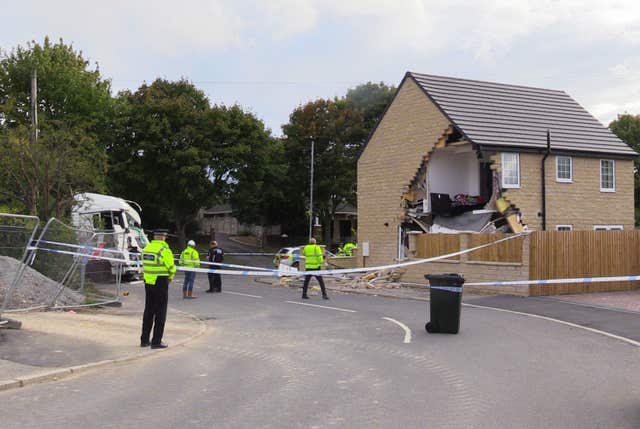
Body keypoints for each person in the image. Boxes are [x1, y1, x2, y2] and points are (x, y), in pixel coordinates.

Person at [140, 229, 176, 349]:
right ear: (162, 237)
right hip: (161, 281)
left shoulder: (146, 249)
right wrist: (171, 276)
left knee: (148, 311)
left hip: (148, 281)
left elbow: (144, 264)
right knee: (160, 312)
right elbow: (171, 267)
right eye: (165, 237)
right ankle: (156, 341)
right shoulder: (164, 250)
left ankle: (144, 340)